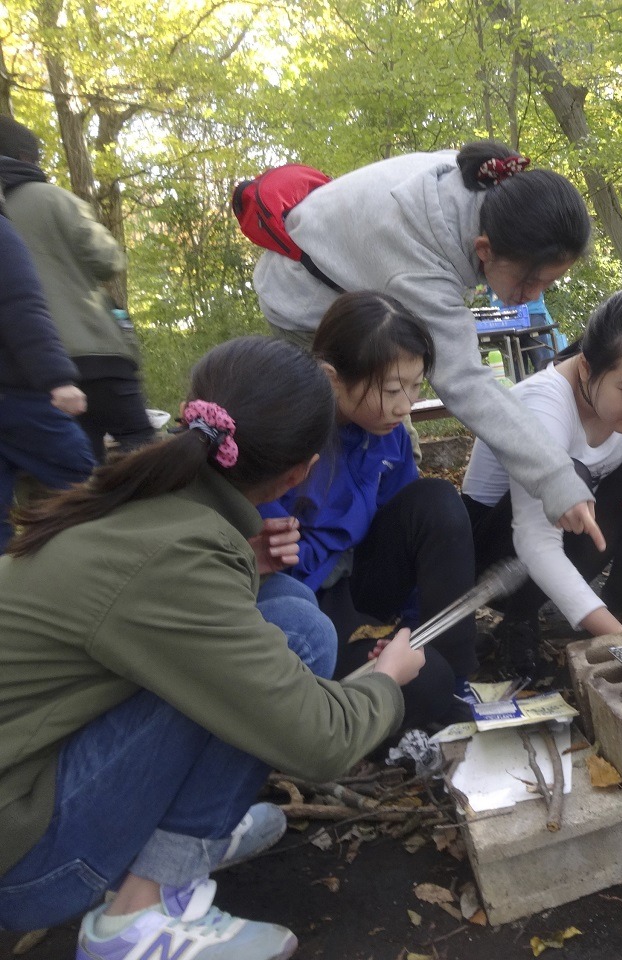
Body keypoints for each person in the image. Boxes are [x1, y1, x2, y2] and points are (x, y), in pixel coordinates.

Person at [0, 336, 425, 958]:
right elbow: (320, 742)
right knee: (297, 635)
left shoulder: (144, 500)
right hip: (26, 862)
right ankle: (137, 918)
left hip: (28, 775)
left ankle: (173, 838)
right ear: (301, 470)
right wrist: (386, 679)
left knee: (287, 608)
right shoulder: (176, 556)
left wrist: (244, 567)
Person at [252, 139, 604, 548]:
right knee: (350, 430)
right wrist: (556, 477)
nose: (532, 294)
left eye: (548, 282)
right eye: (528, 280)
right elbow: (466, 383)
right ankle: (319, 558)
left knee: (395, 438)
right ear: (484, 249)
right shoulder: (420, 265)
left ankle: (389, 550)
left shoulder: (487, 191)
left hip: (360, 273)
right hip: (301, 299)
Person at [462, 290, 622, 669]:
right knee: (572, 475)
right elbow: (535, 541)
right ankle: (520, 617)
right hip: (496, 558)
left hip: (575, 532)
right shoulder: (545, 405)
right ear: (586, 367)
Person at [259, 291, 476, 732]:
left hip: (362, 582)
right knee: (422, 685)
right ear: (332, 378)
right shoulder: (287, 439)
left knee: (437, 502)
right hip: (302, 605)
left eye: (416, 387)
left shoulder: (387, 434)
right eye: (393, 390)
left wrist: (406, 633)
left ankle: (455, 674)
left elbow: (413, 533)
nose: (405, 405)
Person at [0, 117, 154, 462]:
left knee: (81, 472)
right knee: (143, 450)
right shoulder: (55, 199)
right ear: (26, 158)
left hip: (29, 373)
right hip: (96, 351)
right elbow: (107, 260)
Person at [0, 208, 96, 552]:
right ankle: (98, 567)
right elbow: (21, 306)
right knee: (85, 488)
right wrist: (58, 379)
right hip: (18, 398)